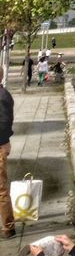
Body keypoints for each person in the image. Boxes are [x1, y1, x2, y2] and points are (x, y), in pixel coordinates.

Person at [0, 73, 14, 239]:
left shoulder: (3, 96)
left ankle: (8, 226)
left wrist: (4, 143)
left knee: (1, 189)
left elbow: (4, 124)